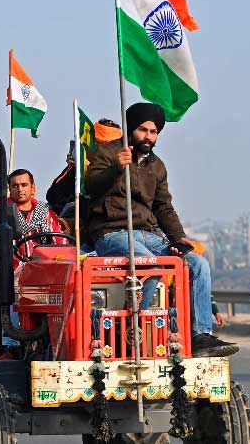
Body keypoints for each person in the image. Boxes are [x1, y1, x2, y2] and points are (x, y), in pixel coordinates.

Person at [85, 102, 236, 357]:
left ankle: (199, 335)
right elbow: (91, 187)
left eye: (154, 132)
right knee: (149, 263)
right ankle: (131, 327)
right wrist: (115, 169)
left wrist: (179, 238)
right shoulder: (110, 153)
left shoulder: (157, 166)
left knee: (198, 264)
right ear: (132, 129)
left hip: (149, 233)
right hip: (113, 233)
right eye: (143, 130)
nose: (149, 137)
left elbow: (164, 206)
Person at [0, 169, 67, 261]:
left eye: (24, 185)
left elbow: (61, 243)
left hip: (43, 267)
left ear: (33, 188)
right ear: (10, 189)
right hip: (12, 269)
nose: (20, 189)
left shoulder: (47, 214)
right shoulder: (0, 212)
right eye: (15, 186)